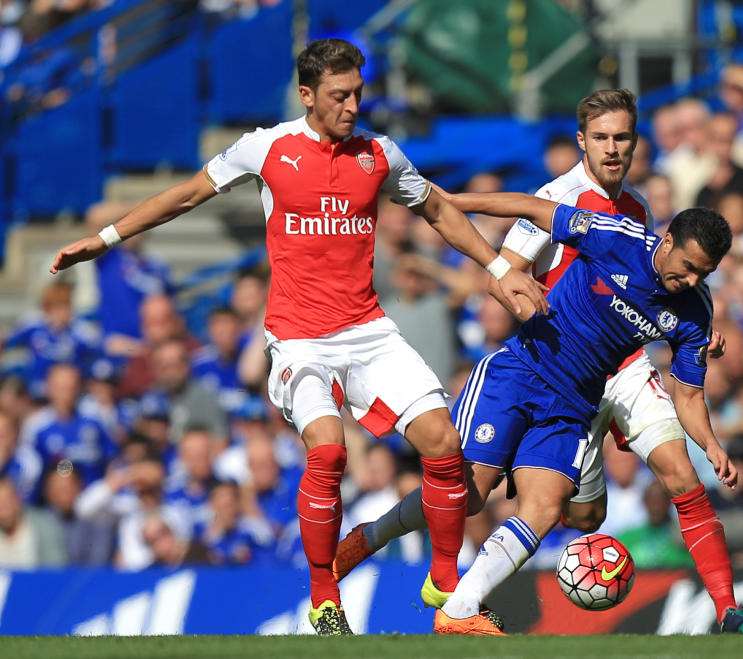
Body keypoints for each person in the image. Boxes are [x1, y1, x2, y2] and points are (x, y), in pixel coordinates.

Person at [48, 38, 546, 636]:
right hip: (299, 340)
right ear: (307, 96)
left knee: (442, 442)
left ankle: (443, 585)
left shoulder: (379, 155)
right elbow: (186, 194)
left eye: (358, 93)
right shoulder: (268, 147)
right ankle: (323, 597)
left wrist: (497, 271)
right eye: (339, 96)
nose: (352, 106)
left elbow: (437, 210)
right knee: (329, 452)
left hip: (367, 331)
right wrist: (102, 239)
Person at [340, 189, 743, 633]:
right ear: (668, 240)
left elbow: (690, 395)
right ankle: (369, 536)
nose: (694, 280)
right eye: (690, 267)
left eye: (706, 274)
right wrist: (447, 201)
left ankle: (460, 610)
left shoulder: (696, 310)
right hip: (521, 373)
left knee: (545, 506)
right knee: (468, 498)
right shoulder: (617, 238)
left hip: (574, 404)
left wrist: (712, 444)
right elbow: (531, 208)